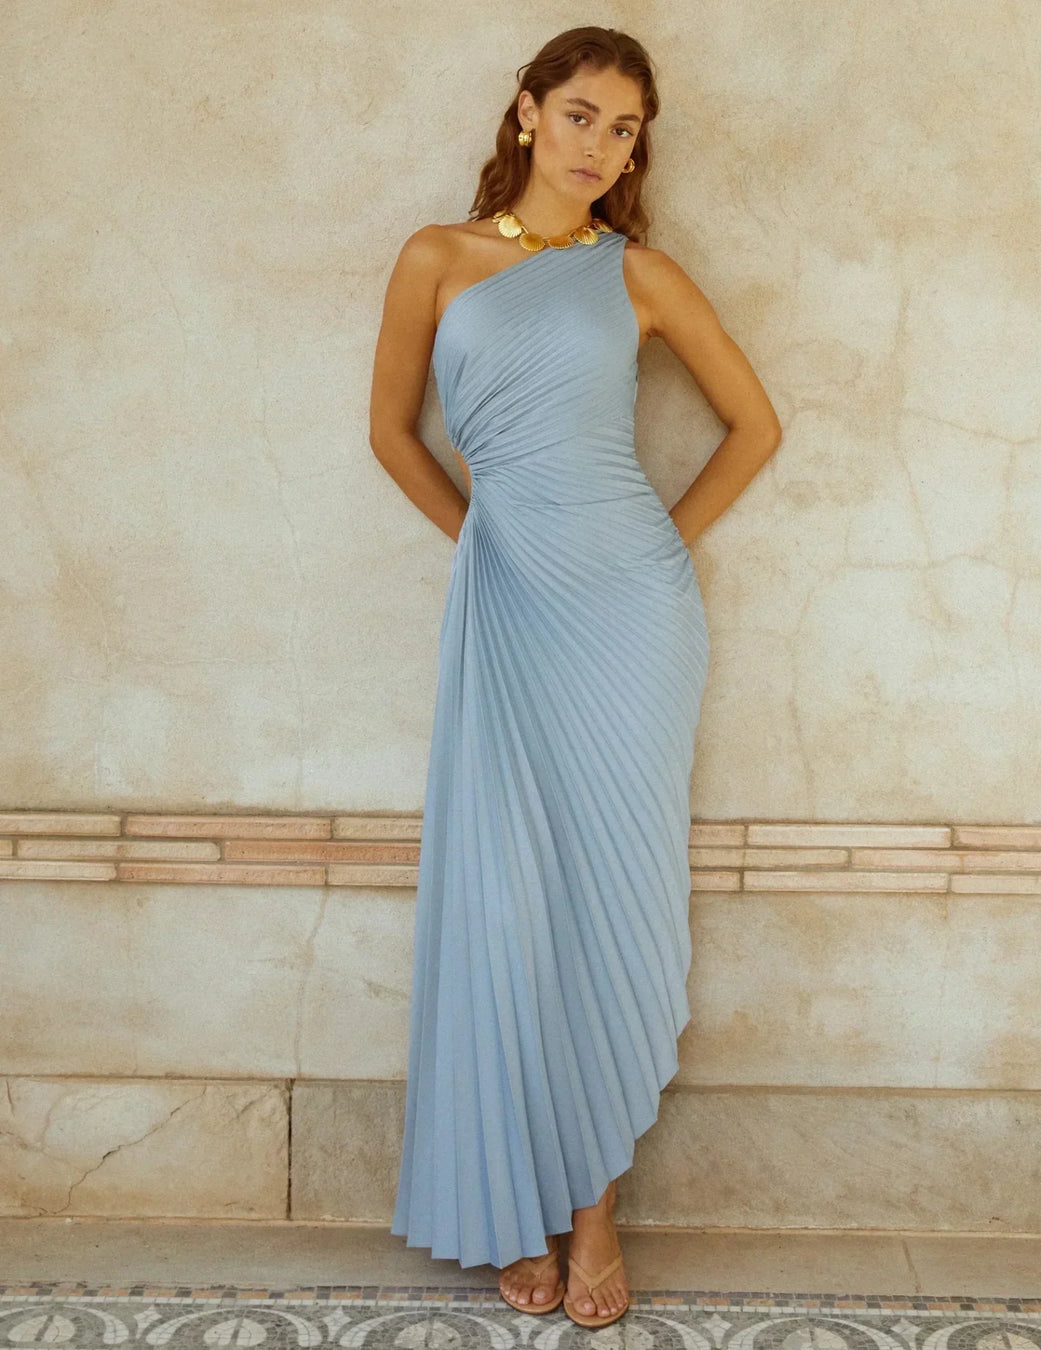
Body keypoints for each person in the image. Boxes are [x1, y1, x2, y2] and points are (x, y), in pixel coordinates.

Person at [368, 25, 781, 1329]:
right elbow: (390, 433)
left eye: (627, 128)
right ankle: (513, 1199)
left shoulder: (639, 273)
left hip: (631, 621)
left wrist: (662, 548)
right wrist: (484, 542)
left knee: (609, 892)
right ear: (528, 111)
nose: (603, 145)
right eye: (585, 114)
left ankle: (595, 1209)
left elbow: (755, 424)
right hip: (507, 606)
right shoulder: (436, 259)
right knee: (510, 895)